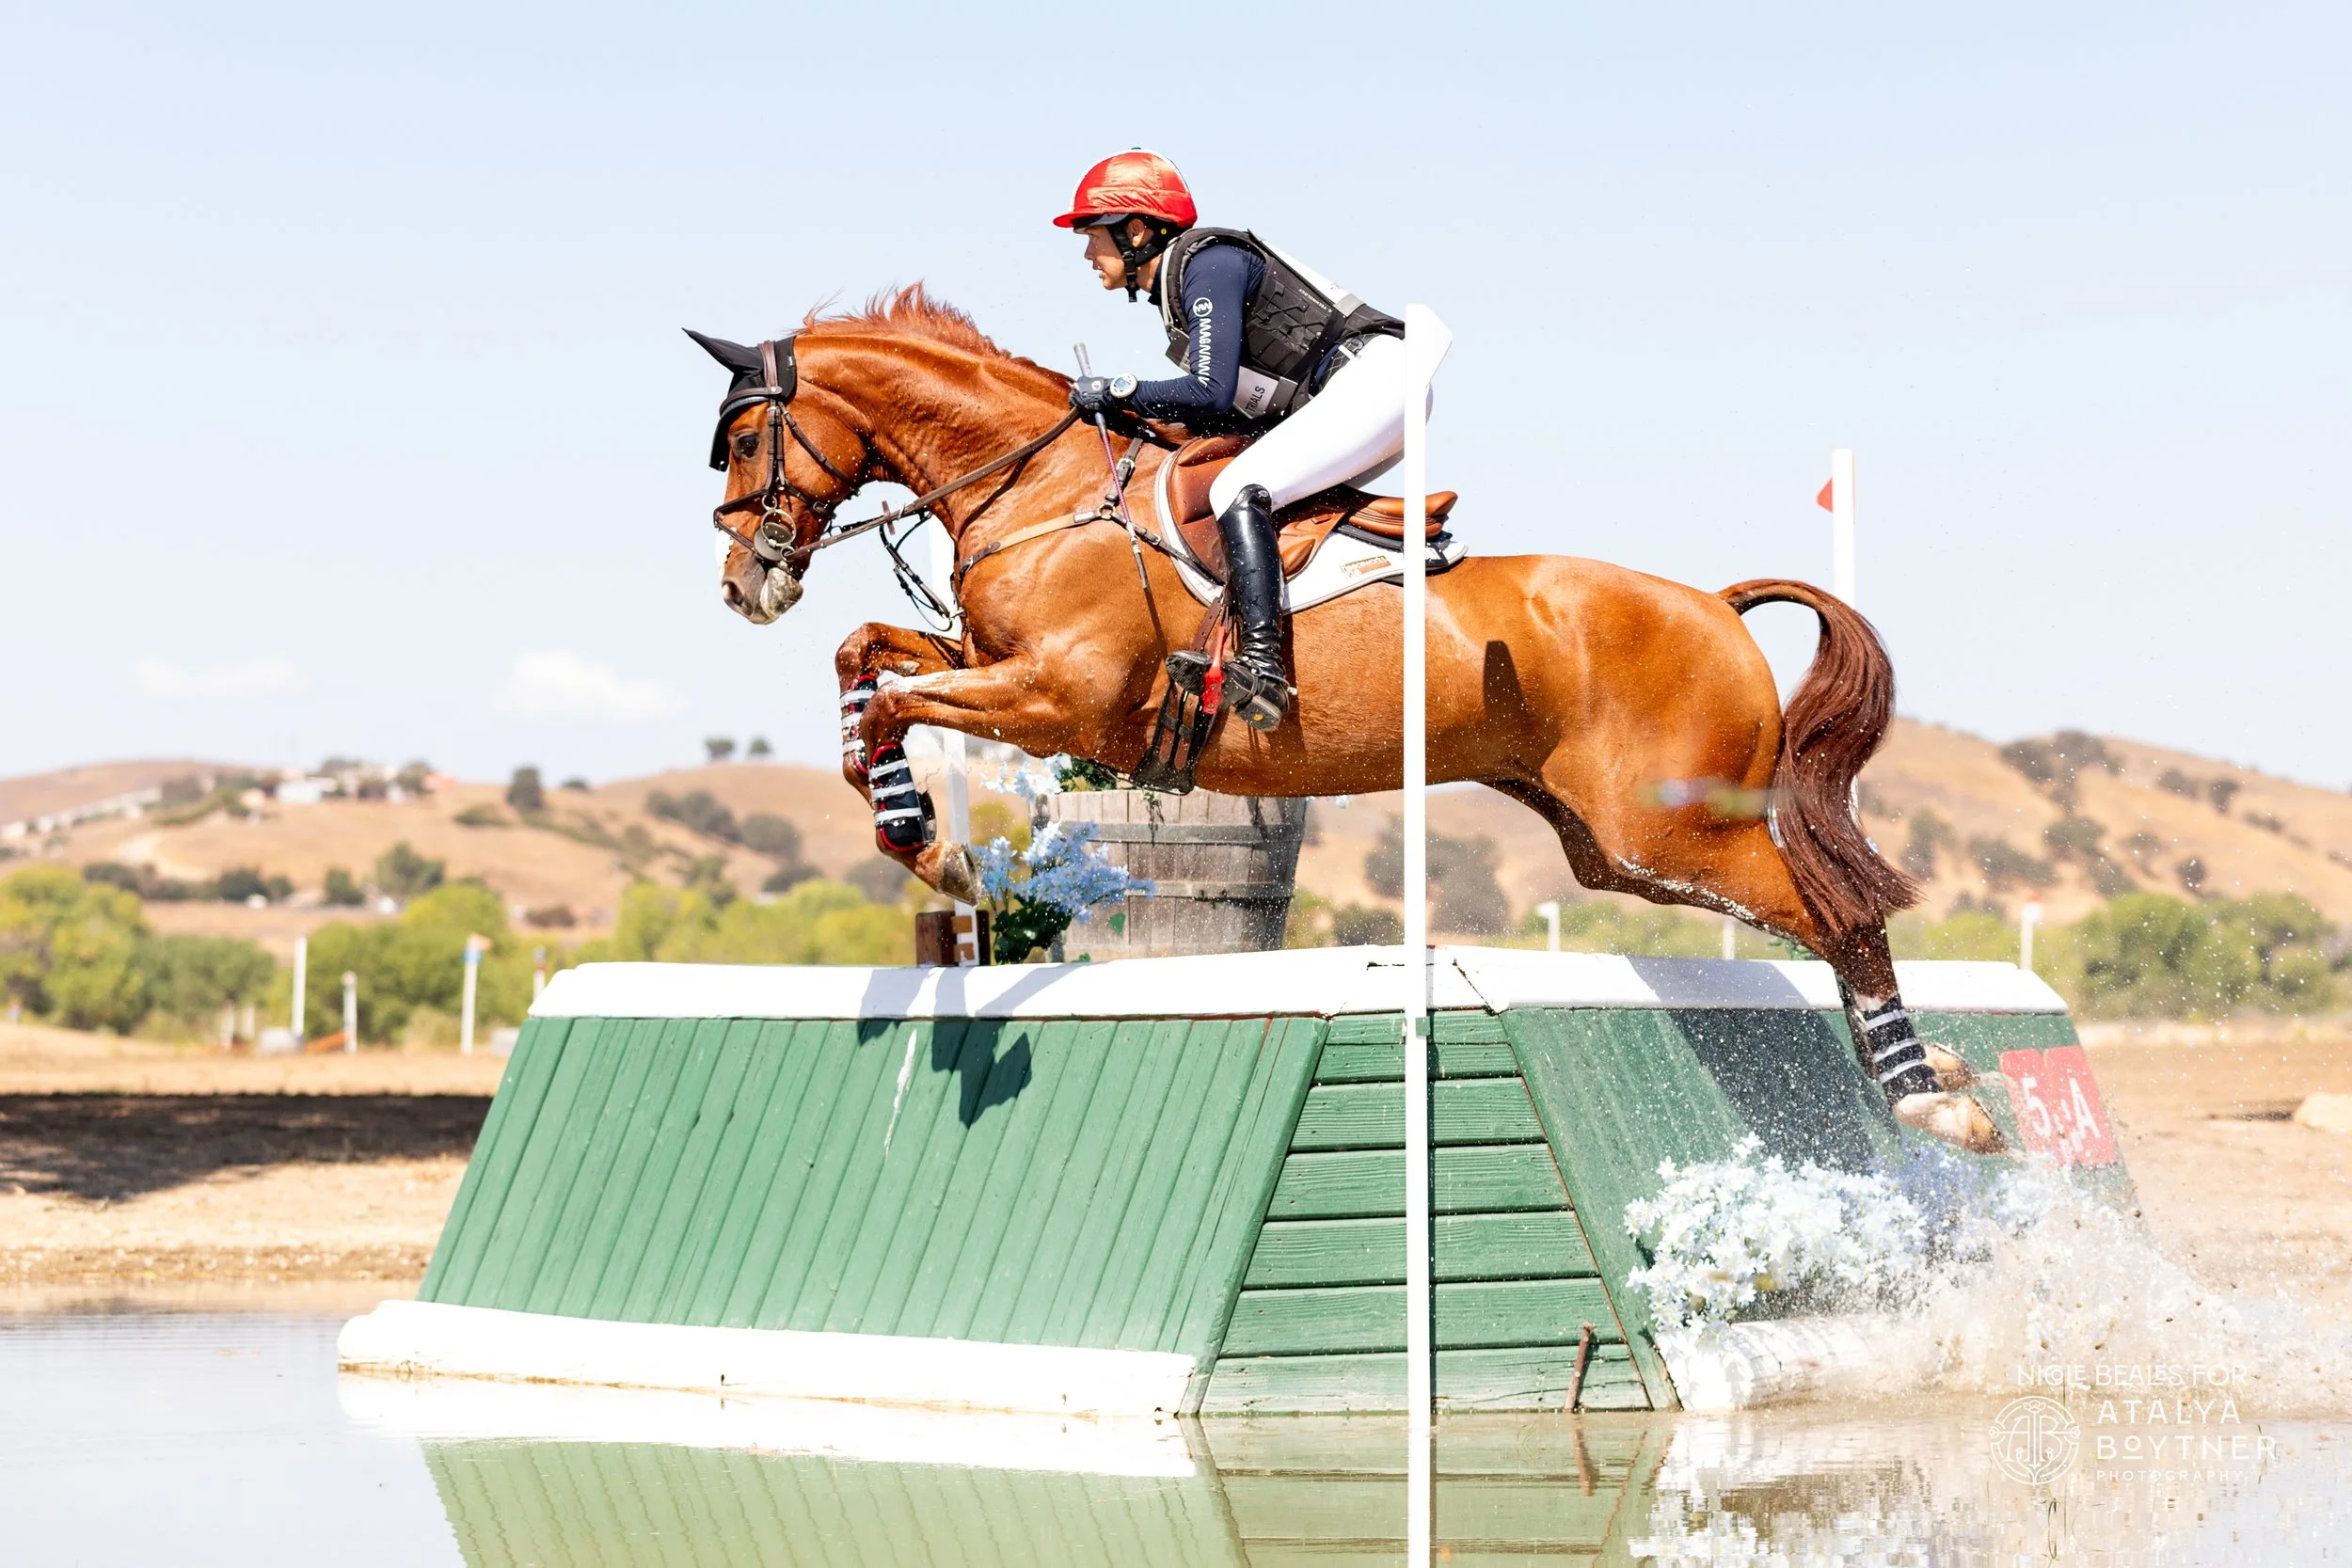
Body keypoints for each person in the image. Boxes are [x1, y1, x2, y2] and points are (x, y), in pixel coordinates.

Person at [1055, 150, 1423, 731]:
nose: (1085, 252)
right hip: (1360, 389)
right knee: (1248, 483)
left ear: (1135, 229)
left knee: (1237, 488)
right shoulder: (1180, 286)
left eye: (1090, 234)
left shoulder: (1207, 262)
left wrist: (1118, 389)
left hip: (1373, 378)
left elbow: (1209, 390)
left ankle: (1264, 668)